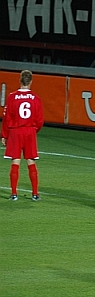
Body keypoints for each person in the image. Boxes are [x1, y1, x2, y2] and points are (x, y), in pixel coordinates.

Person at [1, 70, 44, 201]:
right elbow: (40, 119)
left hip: (15, 131)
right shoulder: (36, 99)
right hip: (29, 131)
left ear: (20, 80)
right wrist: (33, 130)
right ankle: (35, 194)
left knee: (15, 161)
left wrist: (4, 135)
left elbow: (6, 118)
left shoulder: (12, 97)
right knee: (31, 161)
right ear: (31, 81)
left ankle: (14, 194)